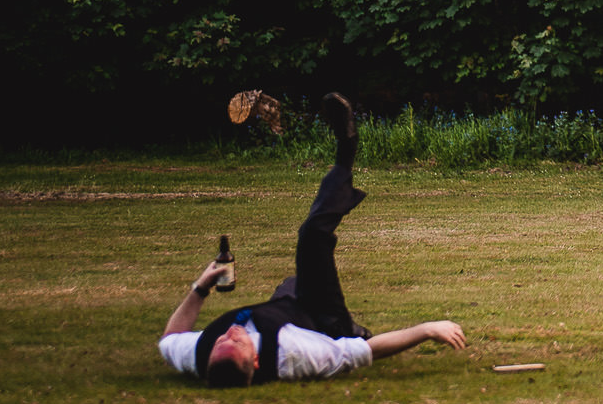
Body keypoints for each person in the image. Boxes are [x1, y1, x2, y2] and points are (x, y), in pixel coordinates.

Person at [158, 94, 466, 385]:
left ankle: (330, 312)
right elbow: (368, 352)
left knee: (293, 282)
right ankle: (346, 151)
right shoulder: (294, 355)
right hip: (323, 322)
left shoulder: (199, 355)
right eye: (236, 342)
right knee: (312, 237)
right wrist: (427, 330)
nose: (230, 333)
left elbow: (170, 339)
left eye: (221, 341)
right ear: (255, 361)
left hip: (287, 306)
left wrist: (200, 288)